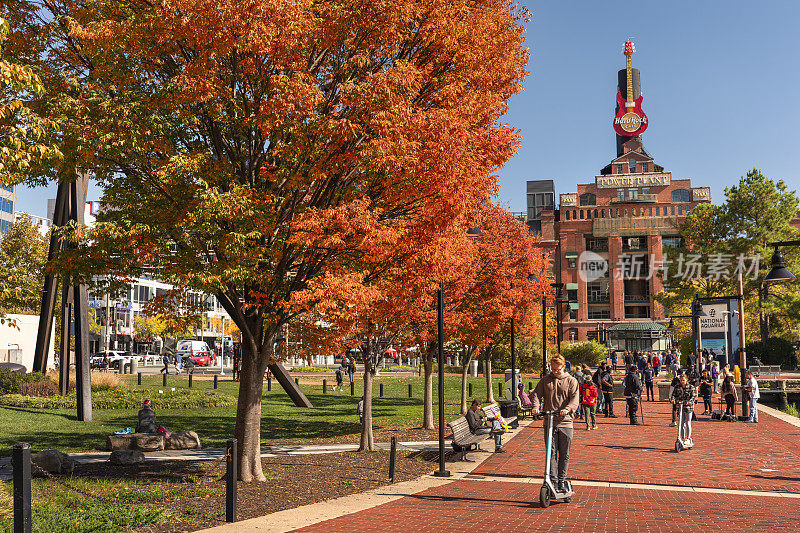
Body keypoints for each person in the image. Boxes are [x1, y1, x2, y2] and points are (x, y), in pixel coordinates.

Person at [532, 355, 580, 492]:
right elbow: (536, 394)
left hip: (565, 423)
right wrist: (536, 406)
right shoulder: (545, 380)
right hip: (549, 422)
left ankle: (561, 480)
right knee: (550, 453)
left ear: (563, 367)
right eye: (553, 369)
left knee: (564, 454)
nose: (555, 372)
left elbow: (575, 399)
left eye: (557, 369)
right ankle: (552, 481)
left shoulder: (571, 381)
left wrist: (568, 409)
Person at [671, 373, 697, 441]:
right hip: (680, 406)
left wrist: (690, 402)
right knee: (681, 423)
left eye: (683, 380)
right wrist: (673, 399)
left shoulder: (691, 387)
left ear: (686, 380)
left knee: (688, 422)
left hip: (688, 407)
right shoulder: (677, 387)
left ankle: (688, 437)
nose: (682, 382)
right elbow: (673, 394)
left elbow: (694, 396)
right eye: (681, 380)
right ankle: (682, 437)